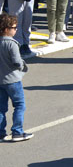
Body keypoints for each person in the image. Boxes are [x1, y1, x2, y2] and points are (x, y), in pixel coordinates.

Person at [0, 14, 32, 142]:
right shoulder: (11, 44)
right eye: (14, 27)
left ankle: (1, 132)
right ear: (6, 29)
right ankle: (17, 131)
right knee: (19, 105)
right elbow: (17, 62)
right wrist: (23, 65)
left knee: (1, 107)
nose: (16, 29)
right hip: (12, 80)